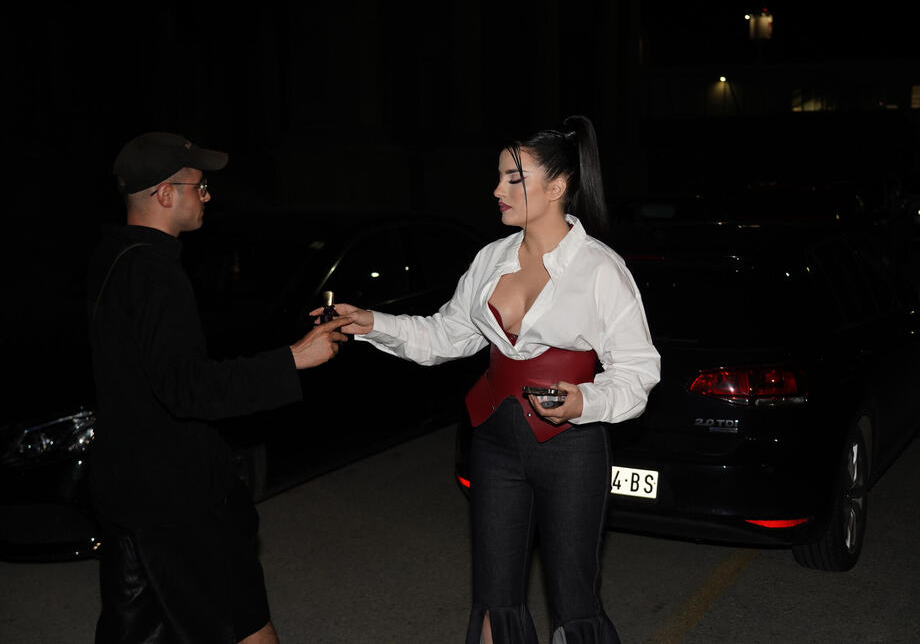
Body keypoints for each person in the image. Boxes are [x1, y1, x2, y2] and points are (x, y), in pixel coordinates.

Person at [333, 116, 660, 643]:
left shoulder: (600, 269)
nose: (497, 190)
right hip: (494, 442)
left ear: (557, 187)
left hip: (570, 448)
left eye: (514, 178)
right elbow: (447, 335)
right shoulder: (491, 259)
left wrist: (586, 401)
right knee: (493, 598)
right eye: (499, 177)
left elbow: (639, 370)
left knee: (574, 603)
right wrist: (372, 323)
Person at [87, 131, 352, 643]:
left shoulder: (112, 257)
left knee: (137, 630)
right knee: (245, 624)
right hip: (176, 497)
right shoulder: (154, 274)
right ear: (166, 194)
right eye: (199, 185)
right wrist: (293, 358)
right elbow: (186, 388)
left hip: (126, 486)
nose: (208, 196)